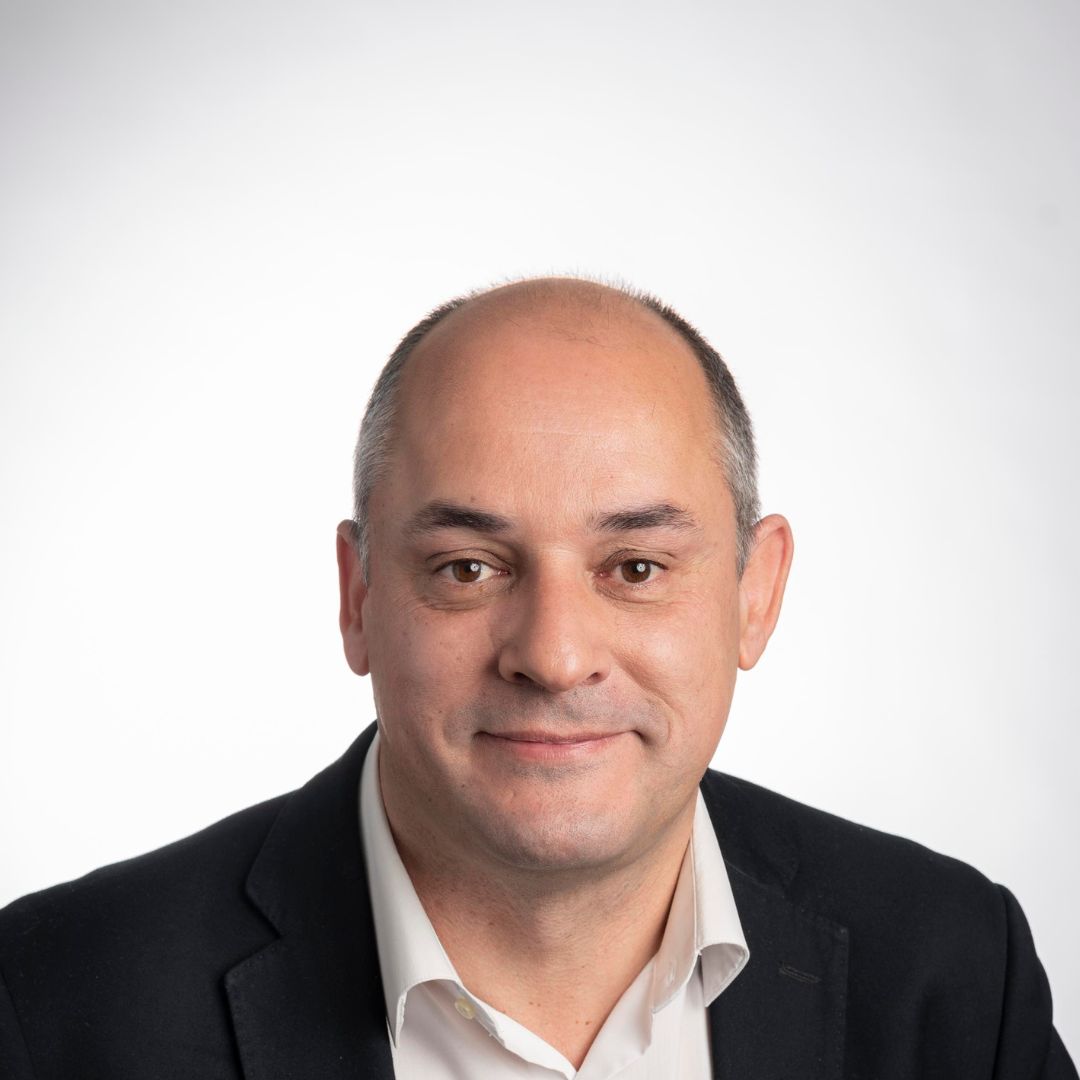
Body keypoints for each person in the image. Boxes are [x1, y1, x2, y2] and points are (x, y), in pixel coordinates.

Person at [0, 277, 1073, 1078]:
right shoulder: (55, 1007)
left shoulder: (950, 975)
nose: (554, 657)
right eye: (468, 569)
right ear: (358, 595)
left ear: (756, 594)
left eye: (636, 568)